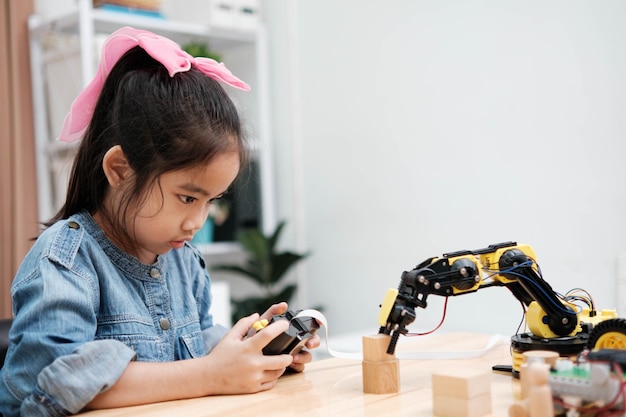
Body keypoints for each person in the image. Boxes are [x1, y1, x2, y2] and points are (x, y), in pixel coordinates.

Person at [0, 27, 319, 417]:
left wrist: (259, 354)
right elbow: (61, 384)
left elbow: (197, 346)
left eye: (211, 201)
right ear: (120, 169)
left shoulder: (183, 259)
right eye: (187, 198)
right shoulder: (65, 260)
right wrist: (210, 375)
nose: (196, 222)